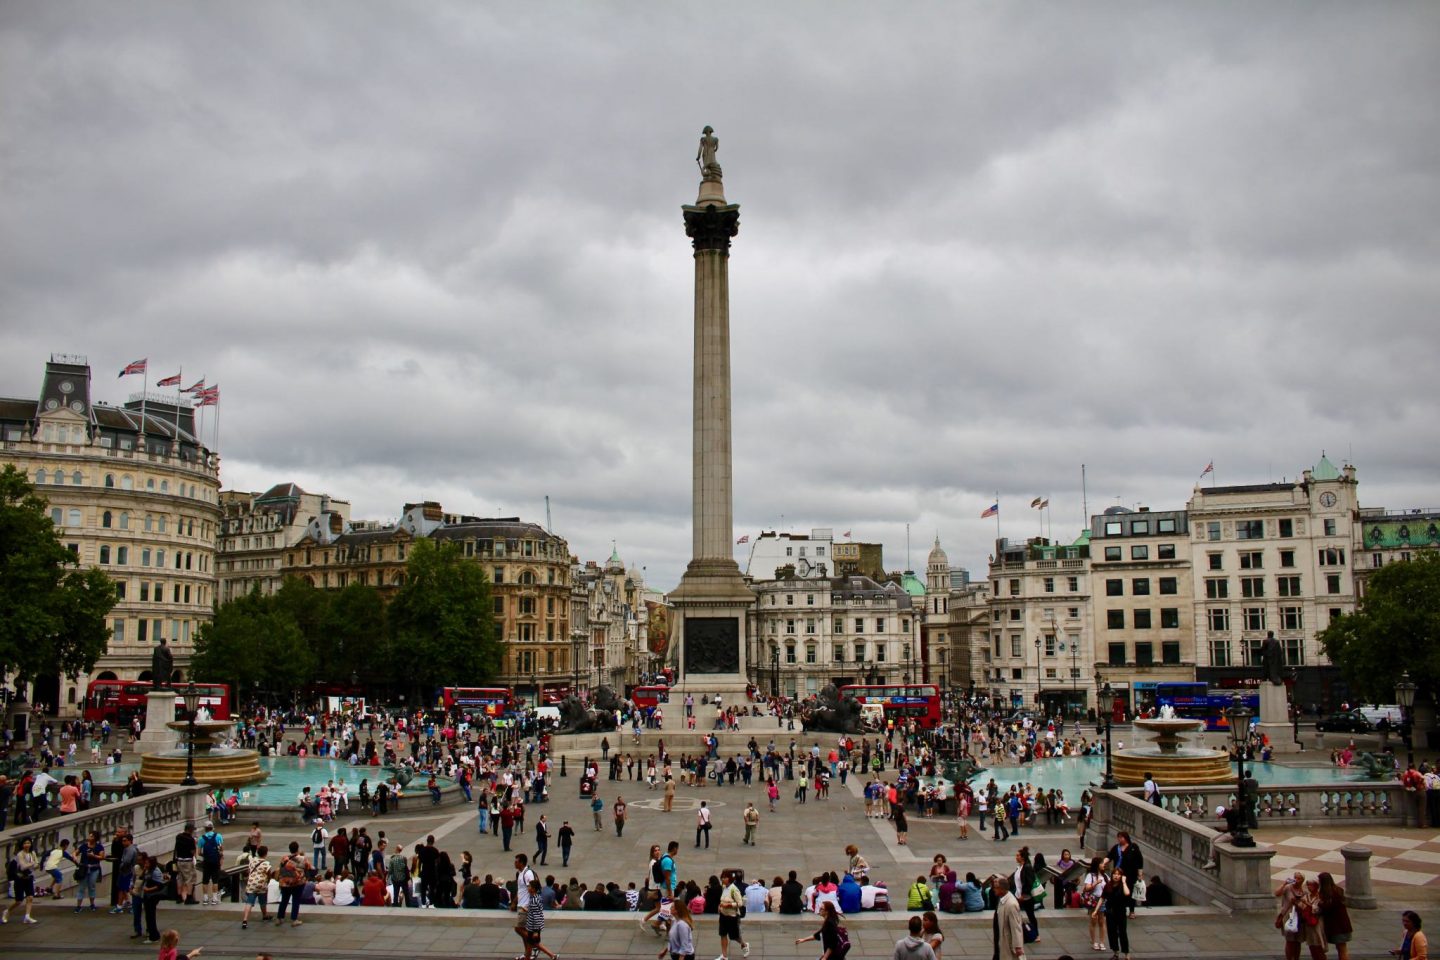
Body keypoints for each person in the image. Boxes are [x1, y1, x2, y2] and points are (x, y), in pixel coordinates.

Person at [3, 837, 41, 924]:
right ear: (22, 845)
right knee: (19, 901)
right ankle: (7, 911)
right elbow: (23, 867)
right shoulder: (20, 854)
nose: (27, 845)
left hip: (29, 877)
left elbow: (36, 865)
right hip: (20, 879)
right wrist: (32, 864)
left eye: (28, 843)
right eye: (25, 843)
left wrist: (35, 865)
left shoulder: (32, 853)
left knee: (30, 897)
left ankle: (27, 916)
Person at [1106, 831, 1144, 919]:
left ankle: (1132, 911)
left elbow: (1140, 860)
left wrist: (1140, 873)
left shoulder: (1133, 847)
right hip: (1118, 874)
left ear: (1126, 838)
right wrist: (1104, 862)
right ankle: (1119, 909)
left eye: (1121, 837)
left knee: (1130, 892)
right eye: (1118, 837)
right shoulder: (1116, 848)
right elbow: (1109, 856)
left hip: (1130, 874)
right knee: (1118, 891)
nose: (1119, 839)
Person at [716, 869, 751, 959]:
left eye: (725, 877)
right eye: (722, 877)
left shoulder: (734, 889)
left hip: (732, 916)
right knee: (723, 934)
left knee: (734, 936)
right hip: (723, 915)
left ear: (729, 878)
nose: (723, 879)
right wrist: (720, 906)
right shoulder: (724, 888)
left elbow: (740, 903)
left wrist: (729, 905)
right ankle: (724, 955)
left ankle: (744, 945)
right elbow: (722, 900)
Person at [1317, 872, 1353, 960]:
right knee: (1341, 948)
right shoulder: (1338, 890)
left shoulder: (1332, 894)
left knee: (1342, 949)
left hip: (1338, 927)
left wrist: (1319, 904)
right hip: (1342, 925)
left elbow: (1327, 908)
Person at [521, 877, 558, 960]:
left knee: (532, 945)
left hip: (533, 928)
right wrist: (527, 909)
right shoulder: (537, 897)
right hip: (534, 927)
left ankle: (552, 955)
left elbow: (536, 915)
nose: (528, 888)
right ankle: (552, 955)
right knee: (533, 945)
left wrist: (536, 931)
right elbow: (536, 911)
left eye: (529, 886)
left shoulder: (534, 899)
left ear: (533, 889)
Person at [275, 841, 310, 926]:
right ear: (297, 849)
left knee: (284, 900)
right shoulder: (303, 858)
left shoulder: (284, 858)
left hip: (285, 882)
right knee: (296, 900)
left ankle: (279, 918)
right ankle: (294, 919)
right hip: (298, 882)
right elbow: (308, 867)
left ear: (289, 849)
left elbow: (280, 868)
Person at [991, 876, 1024, 960]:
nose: (994, 889)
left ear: (1001, 889)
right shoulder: (1002, 899)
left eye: (995, 888)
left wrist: (1018, 946)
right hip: (1000, 940)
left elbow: (1016, 926)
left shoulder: (1011, 904)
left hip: (1007, 942)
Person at [1103, 865, 1132, 960]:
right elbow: (1103, 897)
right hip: (1110, 912)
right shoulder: (1108, 885)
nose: (1116, 876)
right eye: (1114, 874)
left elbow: (1127, 893)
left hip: (1120, 912)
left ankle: (1126, 953)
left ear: (1121, 876)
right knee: (1112, 933)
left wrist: (1124, 882)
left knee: (1122, 932)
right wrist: (1096, 910)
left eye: (1118, 874)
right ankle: (1116, 952)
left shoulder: (1122, 885)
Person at [240, 845, 272, 928]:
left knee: (249, 902)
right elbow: (269, 874)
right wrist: (267, 881)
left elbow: (248, 870)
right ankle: (265, 915)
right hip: (261, 884)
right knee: (263, 901)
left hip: (251, 883)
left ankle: (245, 920)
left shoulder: (252, 860)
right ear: (266, 854)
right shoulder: (266, 863)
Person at [75, 830, 105, 912]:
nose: (89, 838)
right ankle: (78, 906)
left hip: (94, 868)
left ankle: (92, 904)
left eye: (91, 836)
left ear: (95, 838)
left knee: (92, 886)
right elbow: (75, 853)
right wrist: (75, 858)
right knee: (81, 887)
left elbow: (102, 857)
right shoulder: (84, 846)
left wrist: (93, 855)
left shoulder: (99, 847)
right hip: (84, 868)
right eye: (89, 836)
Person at [1013, 847, 1039, 939]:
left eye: (1018, 855)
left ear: (1023, 857)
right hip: (1018, 895)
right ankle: (1020, 932)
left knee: (1030, 915)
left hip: (1026, 897)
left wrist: (1023, 895)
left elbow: (1029, 882)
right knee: (1015, 914)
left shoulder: (1027, 867)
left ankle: (1036, 934)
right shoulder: (1019, 867)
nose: (1016, 857)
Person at [1082, 856, 1107, 950]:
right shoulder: (1090, 876)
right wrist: (1095, 883)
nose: (1103, 865)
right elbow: (1087, 888)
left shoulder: (1105, 876)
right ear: (1097, 865)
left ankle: (1102, 942)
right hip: (1093, 900)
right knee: (1093, 921)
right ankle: (1093, 942)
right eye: (1101, 863)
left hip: (1103, 900)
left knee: (1102, 921)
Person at [197, 821, 224, 906]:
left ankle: (205, 898)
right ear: (212, 827)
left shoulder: (202, 838)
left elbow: (199, 852)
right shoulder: (218, 836)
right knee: (215, 880)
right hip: (215, 861)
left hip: (207, 861)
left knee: (205, 880)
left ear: (205, 829)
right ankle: (214, 898)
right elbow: (221, 849)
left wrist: (205, 855)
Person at [664, 895, 697, 960]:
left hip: (685, 957)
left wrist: (681, 958)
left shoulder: (682, 925)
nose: (670, 908)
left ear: (677, 910)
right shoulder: (675, 921)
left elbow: (684, 944)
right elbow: (672, 939)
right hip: (676, 955)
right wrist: (665, 950)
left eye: (672, 907)